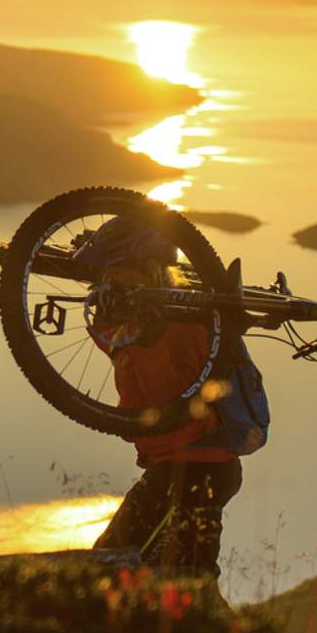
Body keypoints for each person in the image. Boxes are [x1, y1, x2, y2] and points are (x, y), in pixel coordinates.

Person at [81, 215, 255, 577]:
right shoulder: (137, 317)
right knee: (161, 572)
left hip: (197, 466)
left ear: (148, 270)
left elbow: (178, 403)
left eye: (120, 273)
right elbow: (113, 343)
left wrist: (149, 341)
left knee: (165, 575)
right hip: (180, 464)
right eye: (107, 275)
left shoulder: (183, 319)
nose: (112, 283)